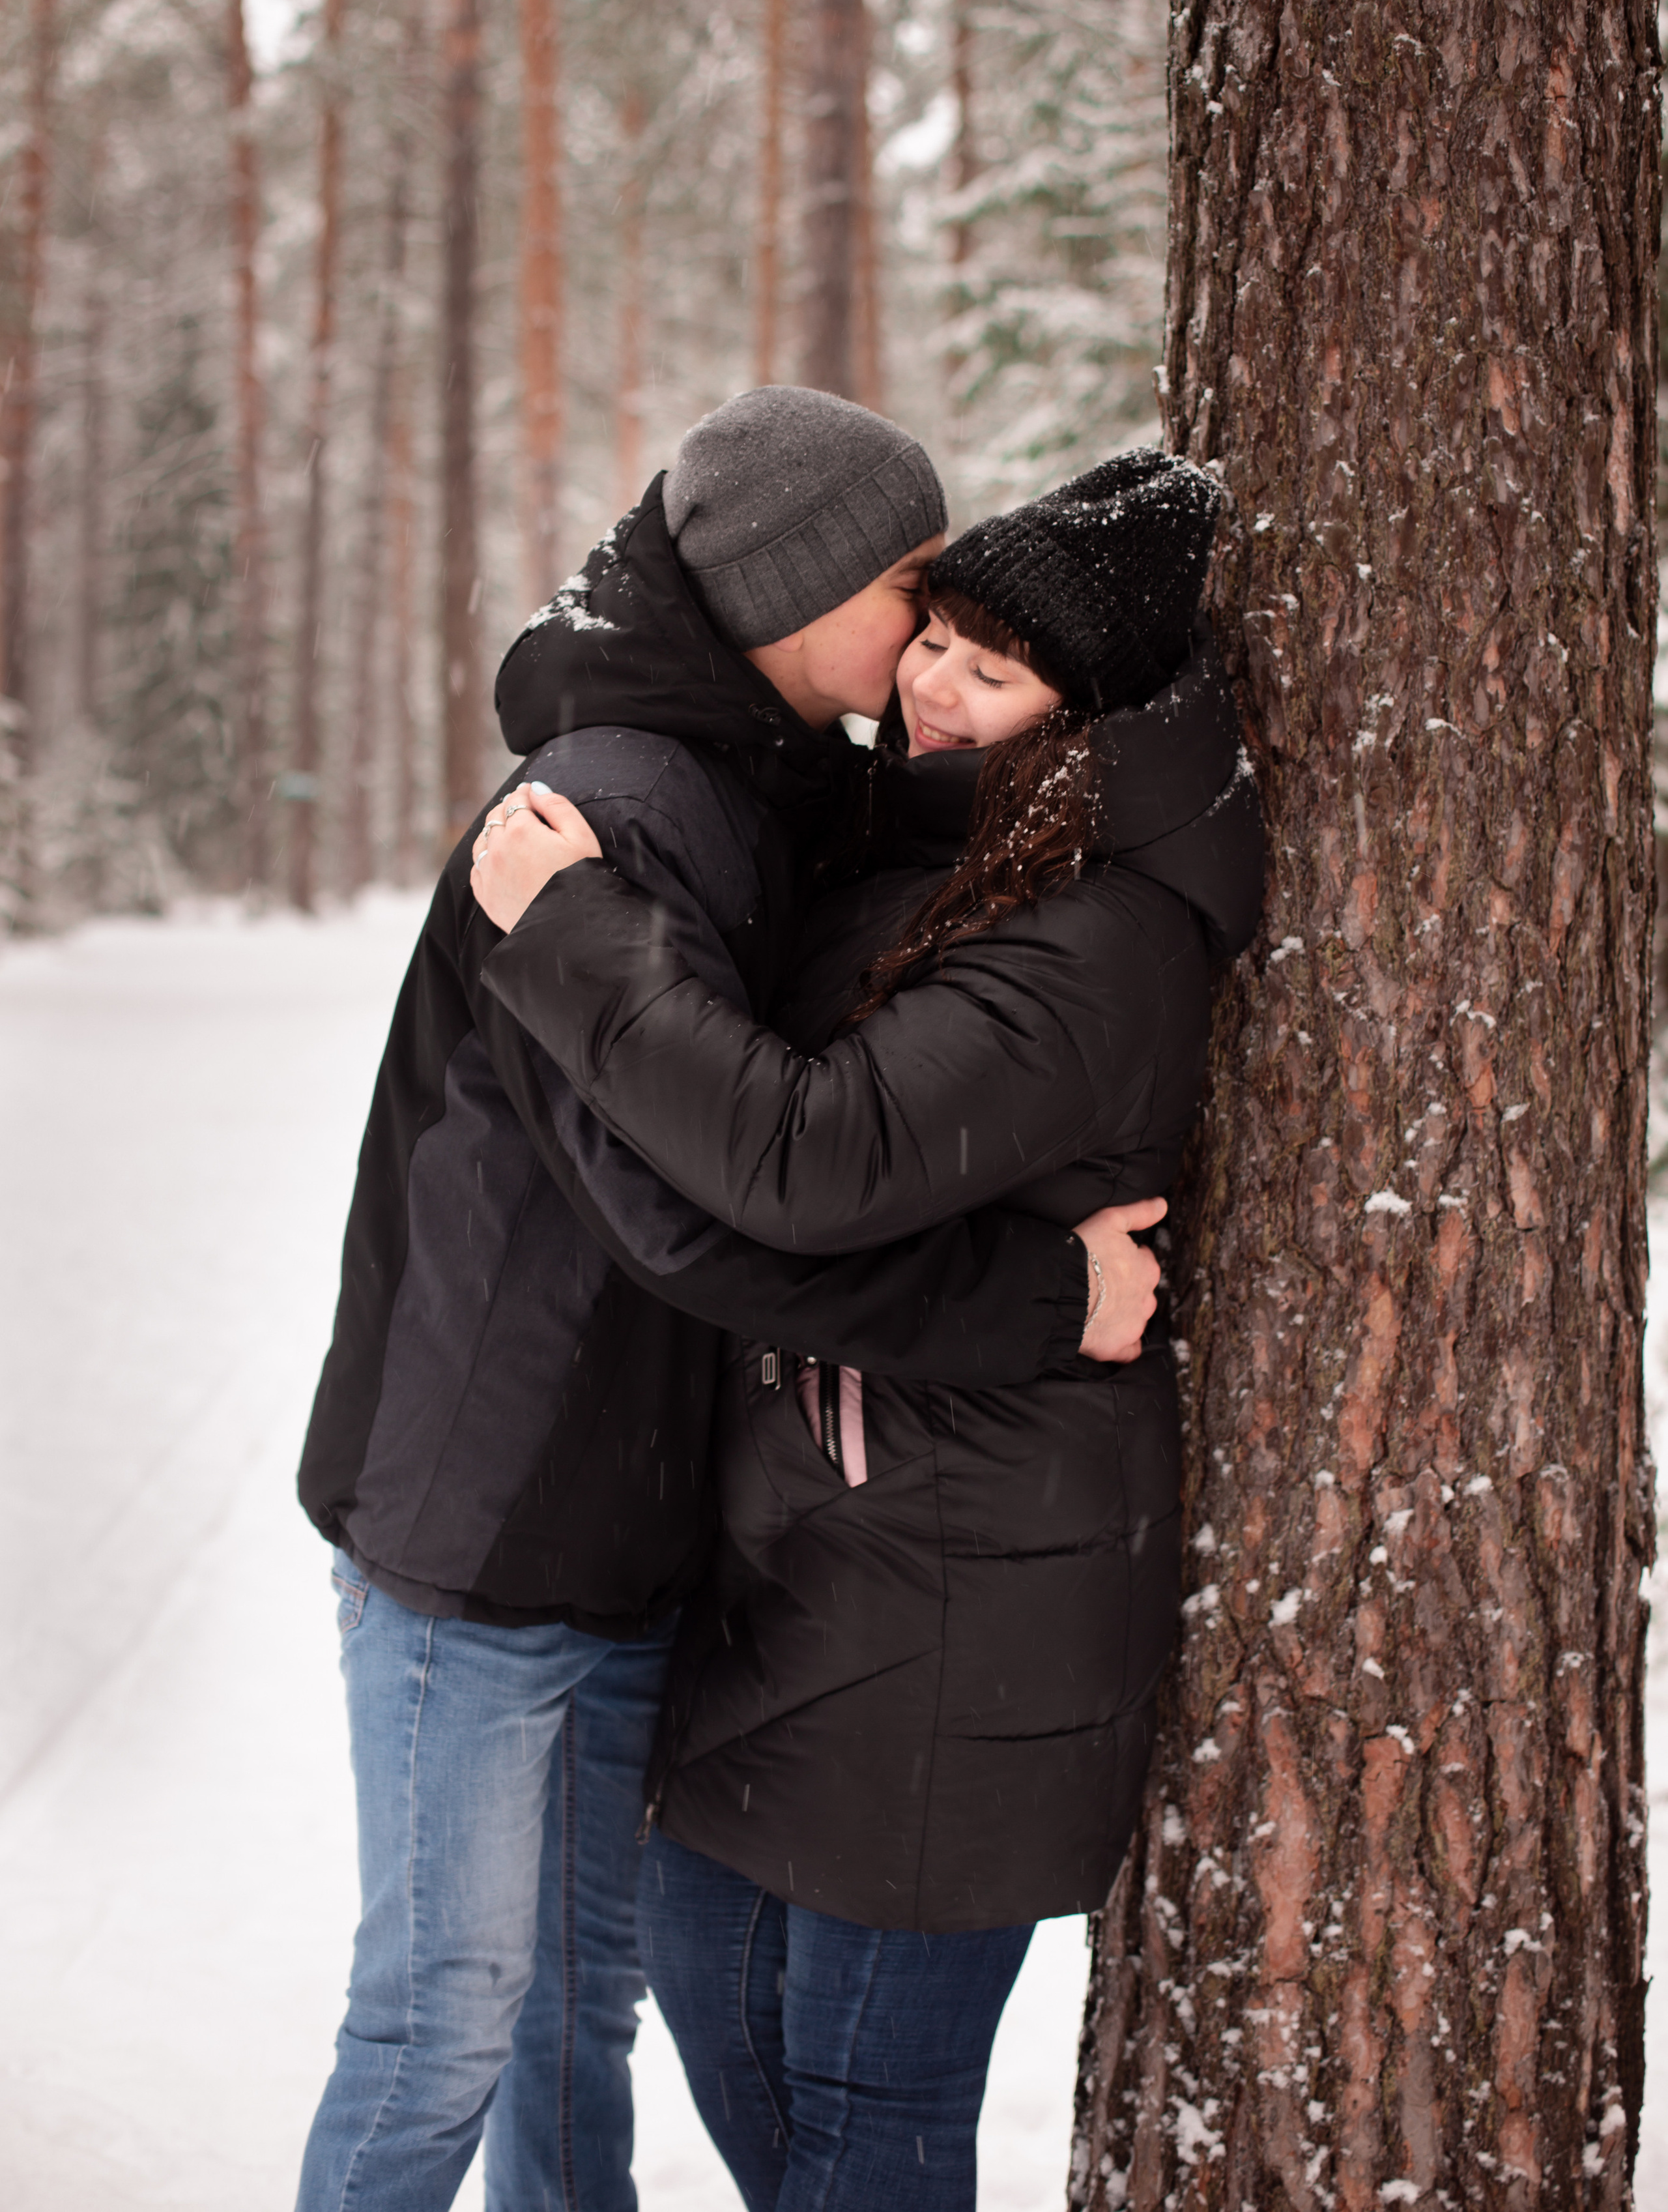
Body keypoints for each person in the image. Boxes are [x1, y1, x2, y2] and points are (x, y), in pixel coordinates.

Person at [293, 388, 1162, 2212]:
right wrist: (1032, 1297)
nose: (930, 641)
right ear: (796, 587)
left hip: (624, 1524)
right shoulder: (613, 811)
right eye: (913, 590)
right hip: (485, 1520)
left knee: (565, 2021)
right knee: (448, 2016)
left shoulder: (769, 790)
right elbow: (692, 1219)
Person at [468, 448, 1267, 2212]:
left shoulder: (1097, 936)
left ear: (1084, 724)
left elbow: (809, 1159)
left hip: (963, 1595)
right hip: (827, 1556)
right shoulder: (950, 846)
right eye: (939, 639)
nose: (927, 682)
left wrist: (576, 931)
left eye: (990, 673)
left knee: (864, 2108)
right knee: (716, 1993)